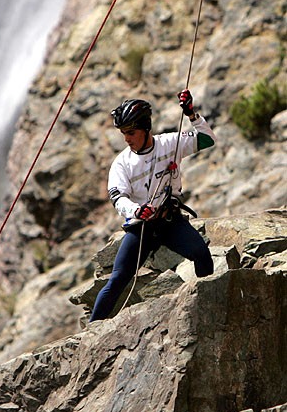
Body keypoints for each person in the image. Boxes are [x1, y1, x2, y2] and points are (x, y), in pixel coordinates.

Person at [89, 89, 215, 322]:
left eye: (131, 132)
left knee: (201, 254)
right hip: (141, 227)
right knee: (118, 278)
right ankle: (90, 331)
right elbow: (118, 198)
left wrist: (191, 114)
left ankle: (206, 311)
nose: (126, 138)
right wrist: (136, 210)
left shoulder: (170, 143)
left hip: (170, 221)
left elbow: (207, 139)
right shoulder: (121, 163)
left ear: (146, 128)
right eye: (123, 133)